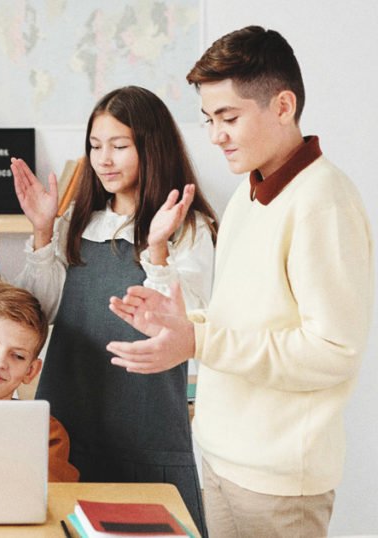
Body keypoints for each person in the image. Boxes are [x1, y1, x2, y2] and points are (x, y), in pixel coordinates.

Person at [107, 27, 373, 537]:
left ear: (283, 105)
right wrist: (181, 325)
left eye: (228, 117)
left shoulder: (324, 203)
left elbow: (335, 349)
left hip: (277, 480)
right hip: (223, 458)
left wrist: (200, 338)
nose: (215, 135)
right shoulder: (249, 195)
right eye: (209, 119)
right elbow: (243, 319)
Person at [11, 86, 218, 532]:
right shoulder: (77, 222)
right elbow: (36, 313)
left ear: (152, 146)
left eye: (119, 146)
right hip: (66, 425)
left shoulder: (190, 228)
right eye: (95, 146)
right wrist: (44, 231)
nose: (103, 159)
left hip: (148, 431)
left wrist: (158, 247)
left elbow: (189, 326)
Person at [0, 272, 79, 483]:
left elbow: (48, 498)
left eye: (18, 356)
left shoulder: (45, 432)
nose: (0, 362)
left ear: (31, 371)